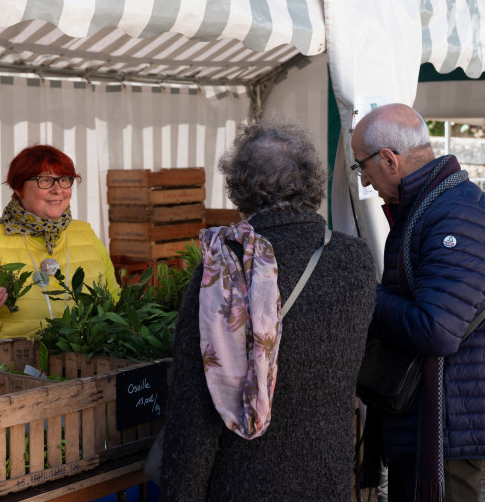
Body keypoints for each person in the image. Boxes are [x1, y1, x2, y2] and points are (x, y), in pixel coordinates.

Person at [160, 118, 377, 501]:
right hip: (327, 476)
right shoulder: (355, 258)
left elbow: (195, 412)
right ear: (311, 181)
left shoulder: (223, 272)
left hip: (243, 482)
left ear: (239, 188)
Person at [351, 103, 485, 502]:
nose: (365, 179)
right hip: (439, 421)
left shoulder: (454, 213)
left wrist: (362, 295)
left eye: (362, 167)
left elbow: (437, 329)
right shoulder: (432, 205)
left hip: (450, 430)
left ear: (389, 159)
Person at [0, 144, 120, 346]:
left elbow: (114, 300)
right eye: (45, 180)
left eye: (64, 180)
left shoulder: (86, 234)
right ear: (18, 188)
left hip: (77, 365)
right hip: (6, 368)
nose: (58, 190)